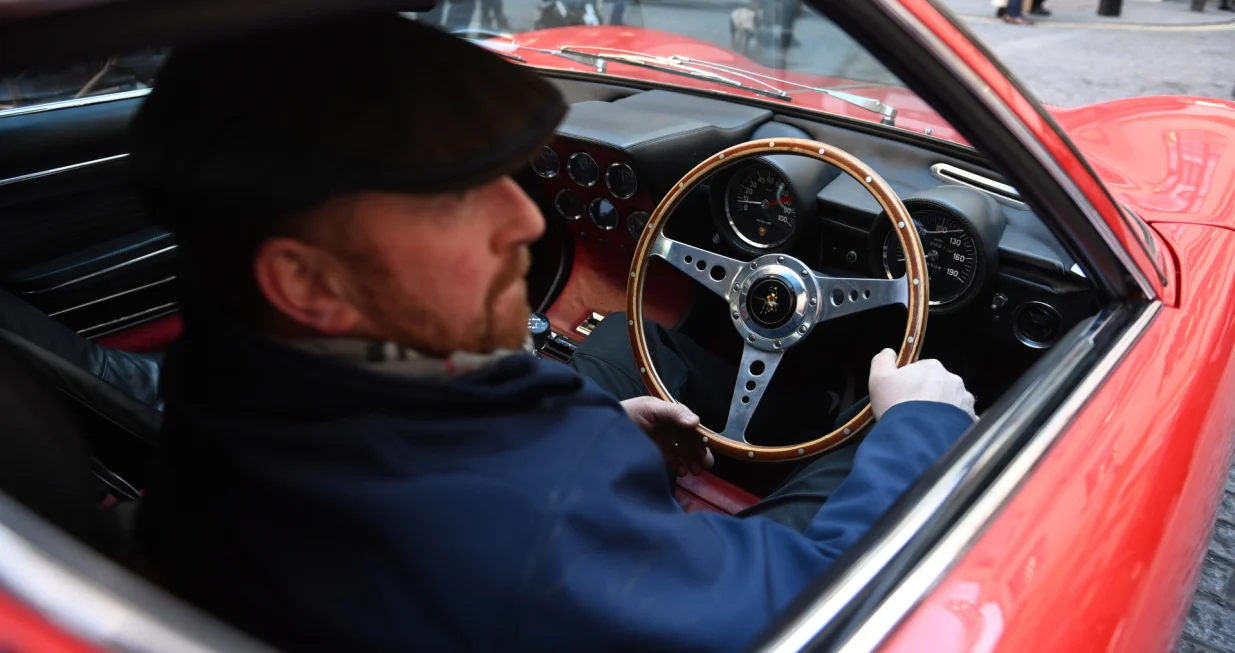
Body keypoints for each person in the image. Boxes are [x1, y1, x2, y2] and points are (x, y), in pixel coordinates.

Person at [131, 13, 977, 653]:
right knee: (859, 439)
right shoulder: (527, 518)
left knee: (625, 348)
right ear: (307, 282)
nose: (525, 221)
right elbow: (819, 603)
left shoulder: (218, 376)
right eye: (457, 197)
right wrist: (918, 425)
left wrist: (605, 428)